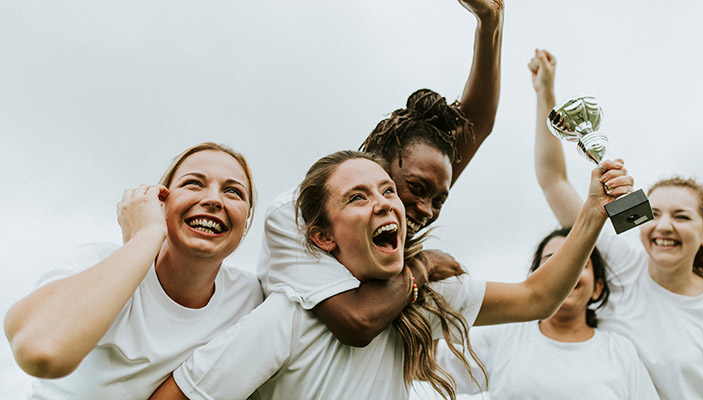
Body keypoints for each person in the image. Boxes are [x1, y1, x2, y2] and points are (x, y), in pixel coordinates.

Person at [150, 148, 633, 399]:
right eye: (357, 197)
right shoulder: (287, 316)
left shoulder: (425, 303)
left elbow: (537, 298)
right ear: (322, 237)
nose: (384, 203)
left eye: (387, 192)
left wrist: (592, 212)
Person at [530, 48, 703, 399]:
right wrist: (545, 95)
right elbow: (553, 179)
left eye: (682, 216)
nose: (664, 226)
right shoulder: (620, 266)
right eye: (655, 213)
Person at [259, 0, 505, 347]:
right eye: (415, 188)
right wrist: (425, 266)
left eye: (439, 199)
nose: (426, 210)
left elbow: (476, 125)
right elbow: (358, 322)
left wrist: (490, 21)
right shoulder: (295, 213)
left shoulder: (403, 209)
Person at [4, 143, 264, 398]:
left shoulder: (249, 300)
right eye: (193, 183)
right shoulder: (98, 261)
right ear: (160, 202)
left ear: (246, 222)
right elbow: (38, 350)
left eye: (233, 192)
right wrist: (147, 235)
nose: (213, 200)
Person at [436, 227, 658, 399]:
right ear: (536, 277)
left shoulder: (620, 351)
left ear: (598, 287)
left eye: (580, 263)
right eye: (551, 260)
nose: (565, 273)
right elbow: (426, 362)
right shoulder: (505, 335)